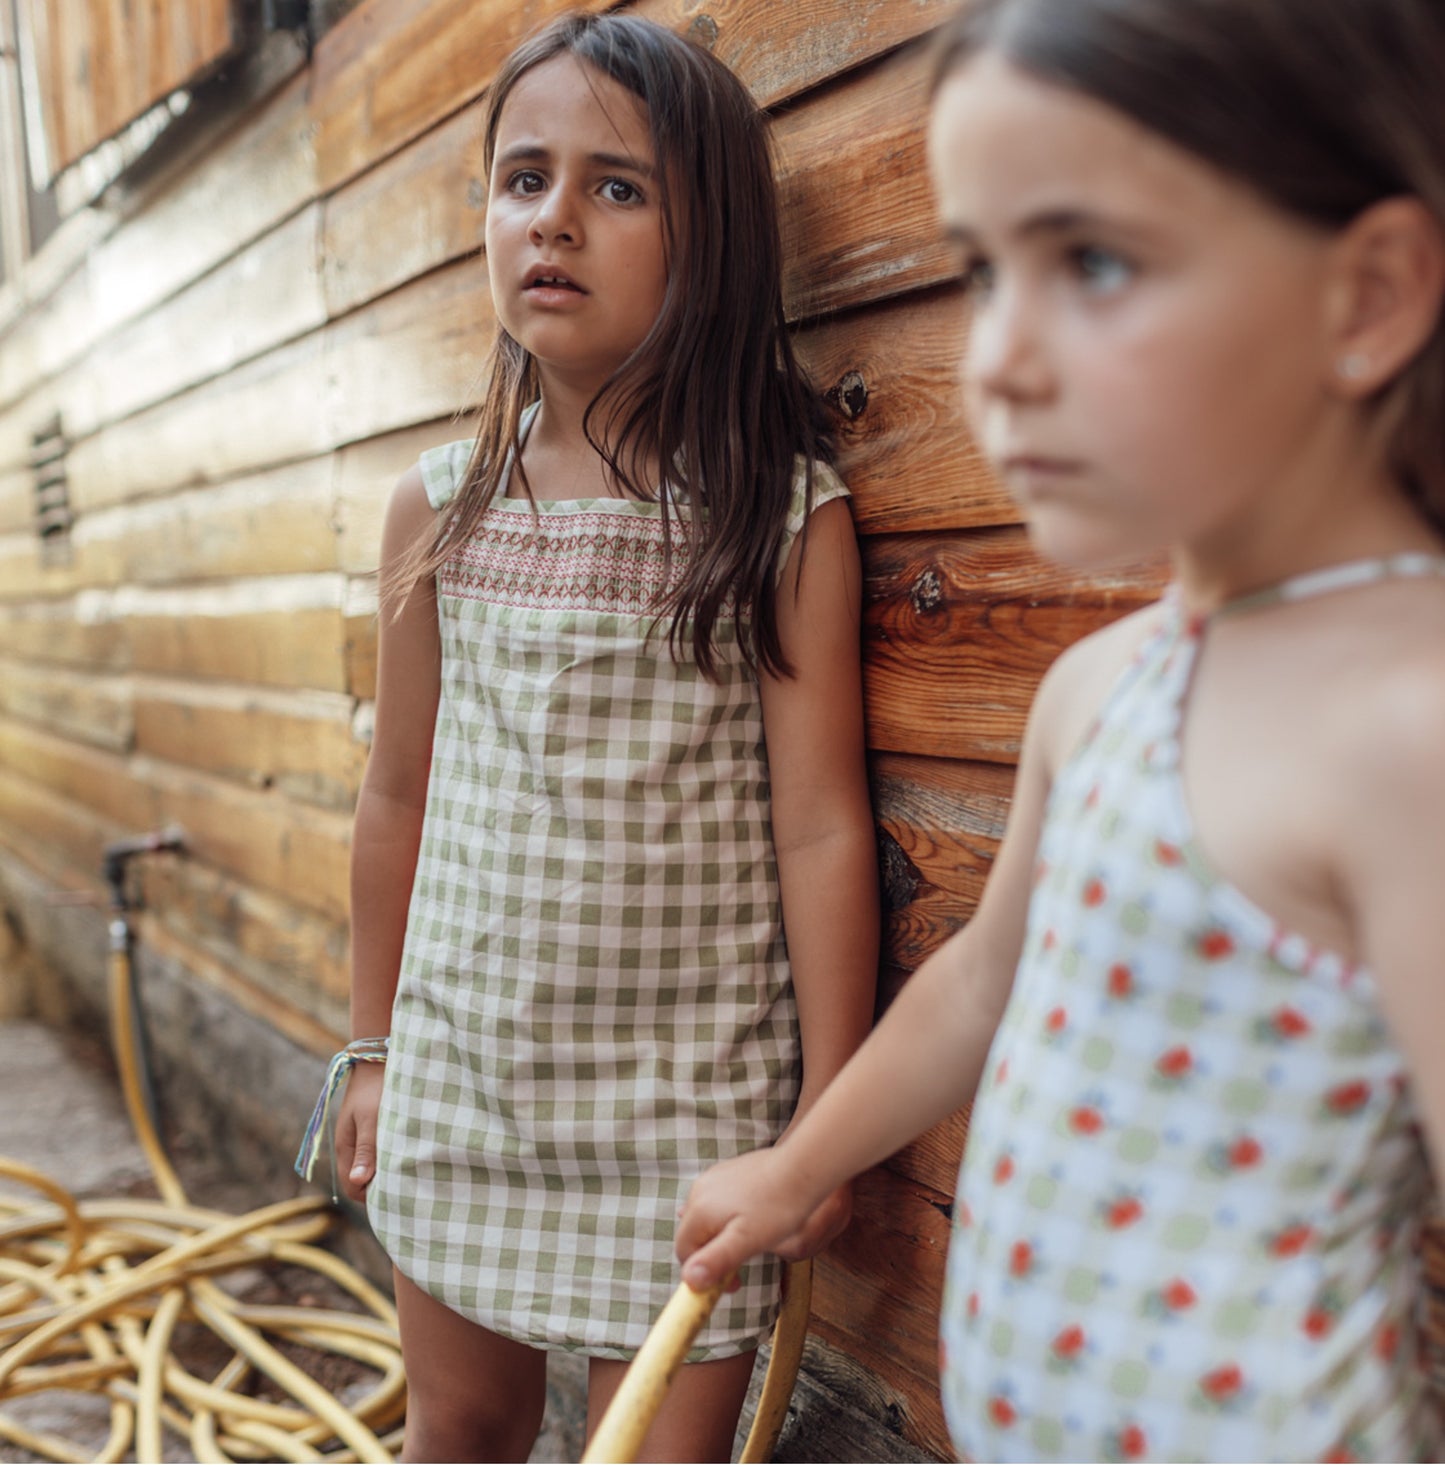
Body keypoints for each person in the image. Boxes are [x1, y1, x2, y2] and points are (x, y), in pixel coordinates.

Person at [677, 1, 1445, 1459]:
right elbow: (981, 980)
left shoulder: (1410, 729)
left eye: (1091, 261)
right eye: (982, 271)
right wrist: (797, 1164)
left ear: (1366, 299)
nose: (998, 361)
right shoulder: (1102, 688)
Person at [308, 13, 879, 1462]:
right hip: (466, 1085)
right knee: (464, 1425)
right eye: (522, 180)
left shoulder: (777, 516)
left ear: (714, 245)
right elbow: (396, 799)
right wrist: (374, 1049)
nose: (553, 218)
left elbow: (819, 827)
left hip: (684, 1114)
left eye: (616, 188)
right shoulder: (439, 509)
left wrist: (824, 1116)